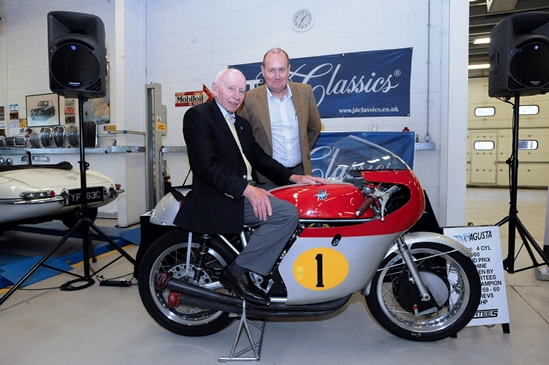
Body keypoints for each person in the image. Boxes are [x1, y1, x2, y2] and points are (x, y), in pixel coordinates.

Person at [174, 68, 326, 305]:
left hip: (243, 189)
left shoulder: (241, 123)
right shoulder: (198, 116)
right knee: (286, 214)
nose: (236, 95)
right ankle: (237, 272)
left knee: (302, 203)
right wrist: (247, 189)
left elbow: (260, 158)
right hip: (219, 196)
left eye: (242, 90)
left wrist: (294, 178)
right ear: (216, 88)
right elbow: (206, 167)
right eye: (231, 88)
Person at [238, 48, 322, 183]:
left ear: (289, 69)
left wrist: (302, 151)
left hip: (301, 173)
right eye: (271, 70)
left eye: (281, 70)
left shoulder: (305, 92)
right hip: (267, 177)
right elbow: (245, 141)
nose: (277, 76)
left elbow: (314, 128)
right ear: (263, 70)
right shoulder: (248, 99)